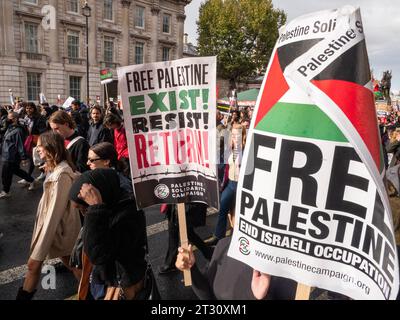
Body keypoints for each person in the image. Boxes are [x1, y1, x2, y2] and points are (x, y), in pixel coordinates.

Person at [175, 200, 297, 300]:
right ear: (231, 219)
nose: (249, 223)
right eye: (242, 215)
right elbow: (207, 294)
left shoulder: (280, 264)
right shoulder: (223, 245)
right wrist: (191, 268)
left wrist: (261, 297)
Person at [16, 131, 81, 300]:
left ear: (50, 148)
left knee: (33, 265)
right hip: (55, 228)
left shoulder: (62, 174)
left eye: (40, 146)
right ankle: (90, 292)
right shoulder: (58, 169)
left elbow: (55, 211)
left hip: (56, 229)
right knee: (73, 266)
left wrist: (43, 238)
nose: (37, 149)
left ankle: (91, 292)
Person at [68, 169, 147, 300]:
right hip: (105, 279)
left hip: (122, 286)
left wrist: (95, 209)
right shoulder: (110, 208)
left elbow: (97, 254)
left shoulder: (128, 215)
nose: (84, 215)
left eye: (85, 209)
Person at [208, 122, 246, 245]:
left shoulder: (246, 150)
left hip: (241, 186)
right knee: (223, 209)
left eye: (237, 135)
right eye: (233, 135)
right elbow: (222, 165)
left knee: (237, 214)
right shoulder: (229, 149)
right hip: (230, 184)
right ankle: (218, 236)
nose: (235, 138)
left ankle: (237, 238)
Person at [159, 203, 214, 275]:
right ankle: (209, 253)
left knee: (181, 232)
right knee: (184, 233)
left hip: (183, 207)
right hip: (176, 206)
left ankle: (170, 263)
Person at [0, 112, 35, 199]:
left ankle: (6, 191)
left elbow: (20, 145)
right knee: (16, 170)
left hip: (11, 156)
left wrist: (23, 157)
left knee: (6, 174)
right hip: (6, 154)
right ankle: (31, 180)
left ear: (15, 119)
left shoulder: (18, 131)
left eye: (10, 118)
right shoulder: (10, 128)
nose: (7, 120)